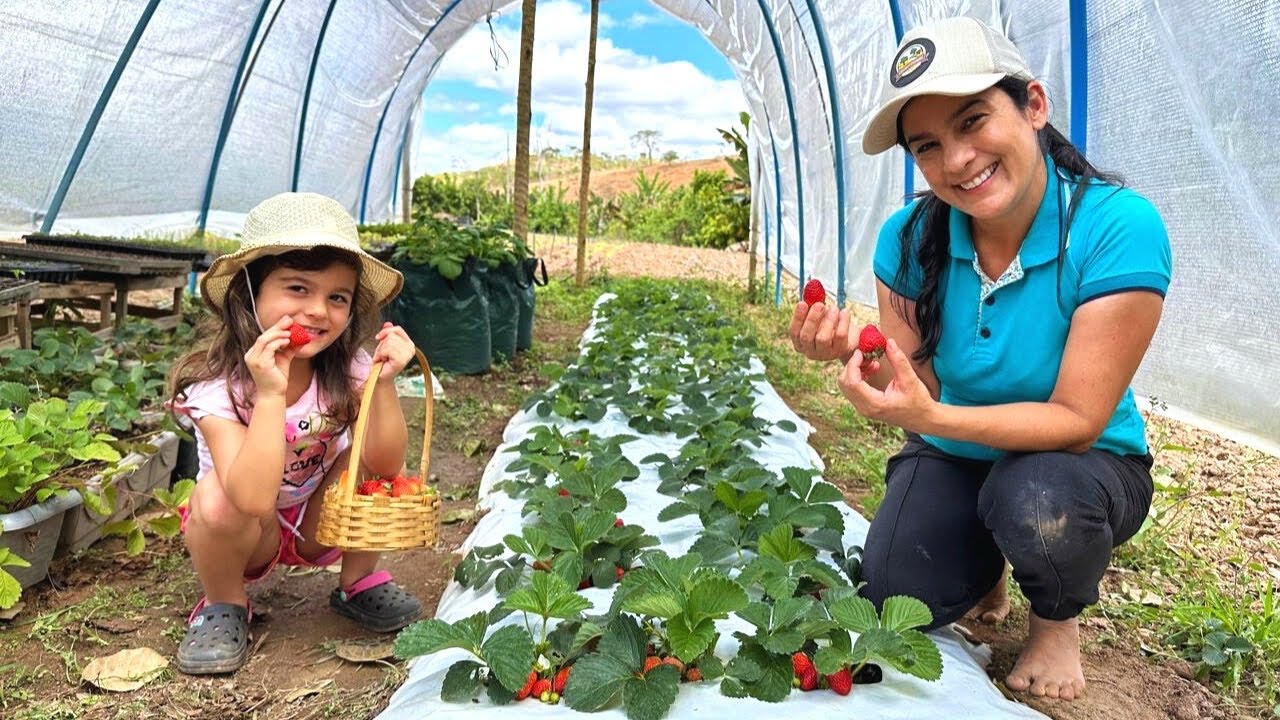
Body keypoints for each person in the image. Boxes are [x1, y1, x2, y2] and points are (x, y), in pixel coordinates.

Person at [790, 17, 1171, 701]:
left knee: (1036, 503)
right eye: (928, 146)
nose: (957, 160)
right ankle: (986, 562)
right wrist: (859, 353)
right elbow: (917, 382)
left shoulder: (1117, 227)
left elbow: (1077, 419)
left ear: (1033, 105)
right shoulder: (909, 238)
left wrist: (931, 414)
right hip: (959, 450)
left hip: (1080, 465)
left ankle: (1055, 621)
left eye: (972, 122)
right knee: (896, 590)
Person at [168, 192, 423, 674]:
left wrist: (382, 384)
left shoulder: (347, 369)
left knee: (372, 469)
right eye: (298, 289)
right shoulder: (218, 388)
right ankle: (224, 604)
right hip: (247, 531)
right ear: (251, 295)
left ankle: (357, 582)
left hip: (318, 521)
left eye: (337, 297)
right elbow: (252, 500)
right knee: (215, 498)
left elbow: (386, 466)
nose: (318, 311)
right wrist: (269, 394)